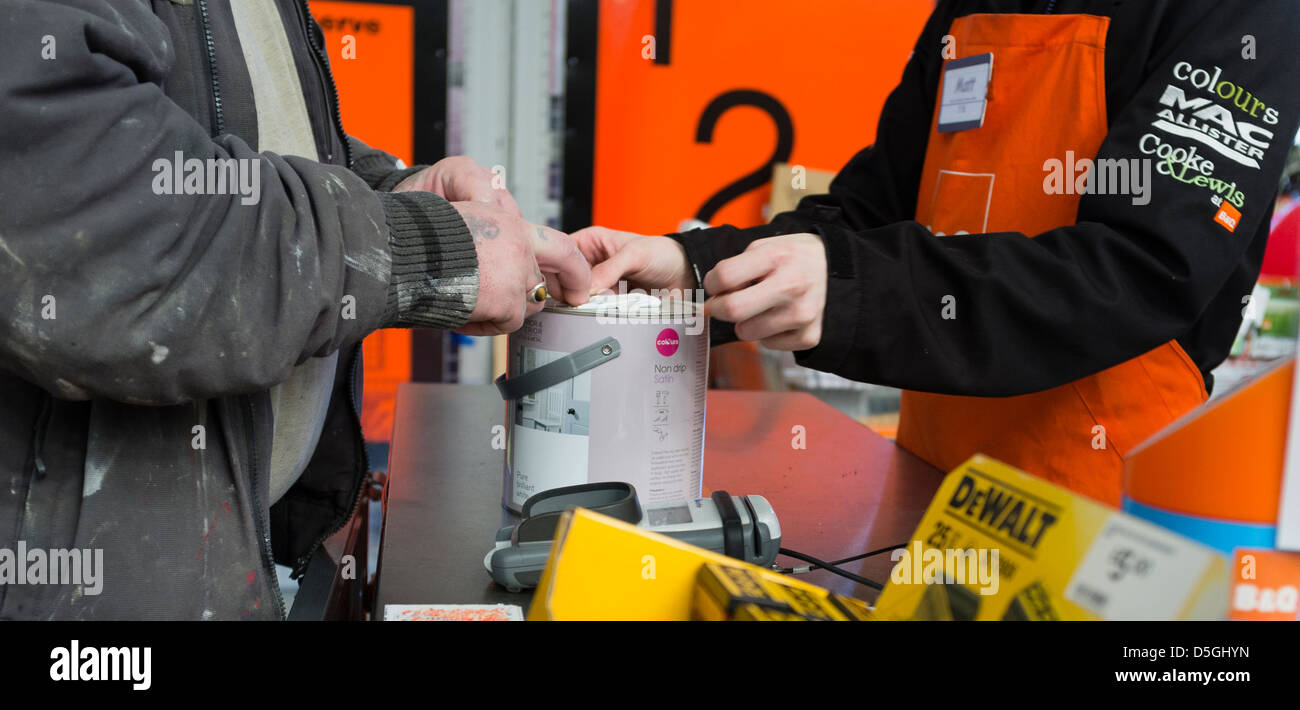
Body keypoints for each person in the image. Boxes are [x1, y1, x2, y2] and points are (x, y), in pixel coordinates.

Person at [577, 0, 1300, 505]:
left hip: (1107, 515)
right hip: (934, 492)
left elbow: (1140, 269)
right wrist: (690, 267)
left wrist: (852, 292)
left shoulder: (1240, 14)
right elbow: (869, 208)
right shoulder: (972, 5)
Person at [0, 0, 588, 619]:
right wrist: (420, 246)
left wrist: (386, 193)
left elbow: (229, 150)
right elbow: (106, 225)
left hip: (237, 553)